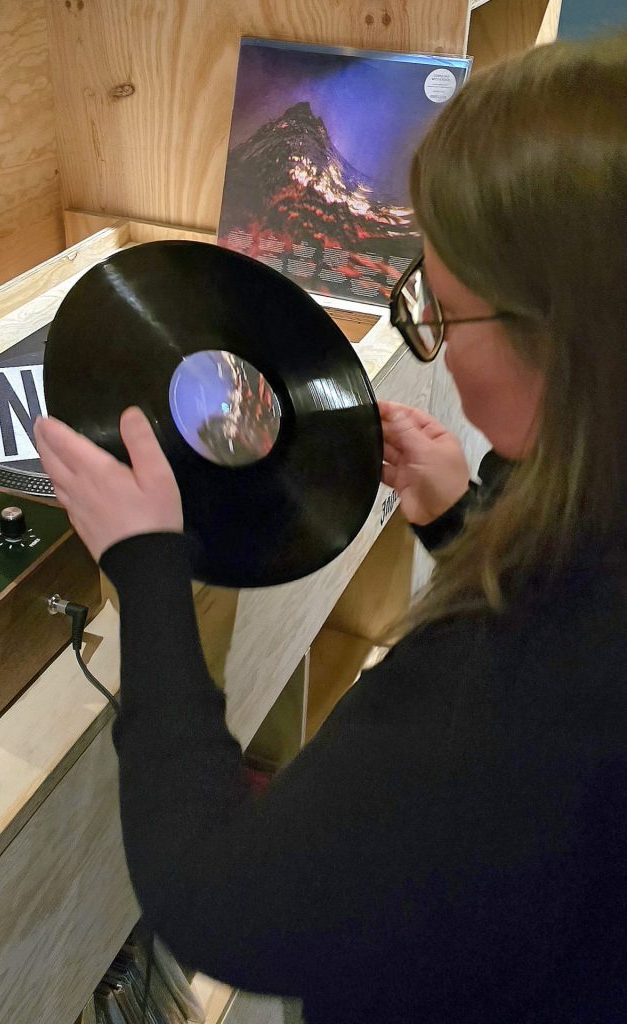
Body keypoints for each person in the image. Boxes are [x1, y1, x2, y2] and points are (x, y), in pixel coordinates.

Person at [34, 32, 627, 1024]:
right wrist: (459, 520)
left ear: (560, 346)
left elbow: (223, 900)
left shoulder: (520, 683)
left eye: (437, 314)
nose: (423, 332)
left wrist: (143, 564)